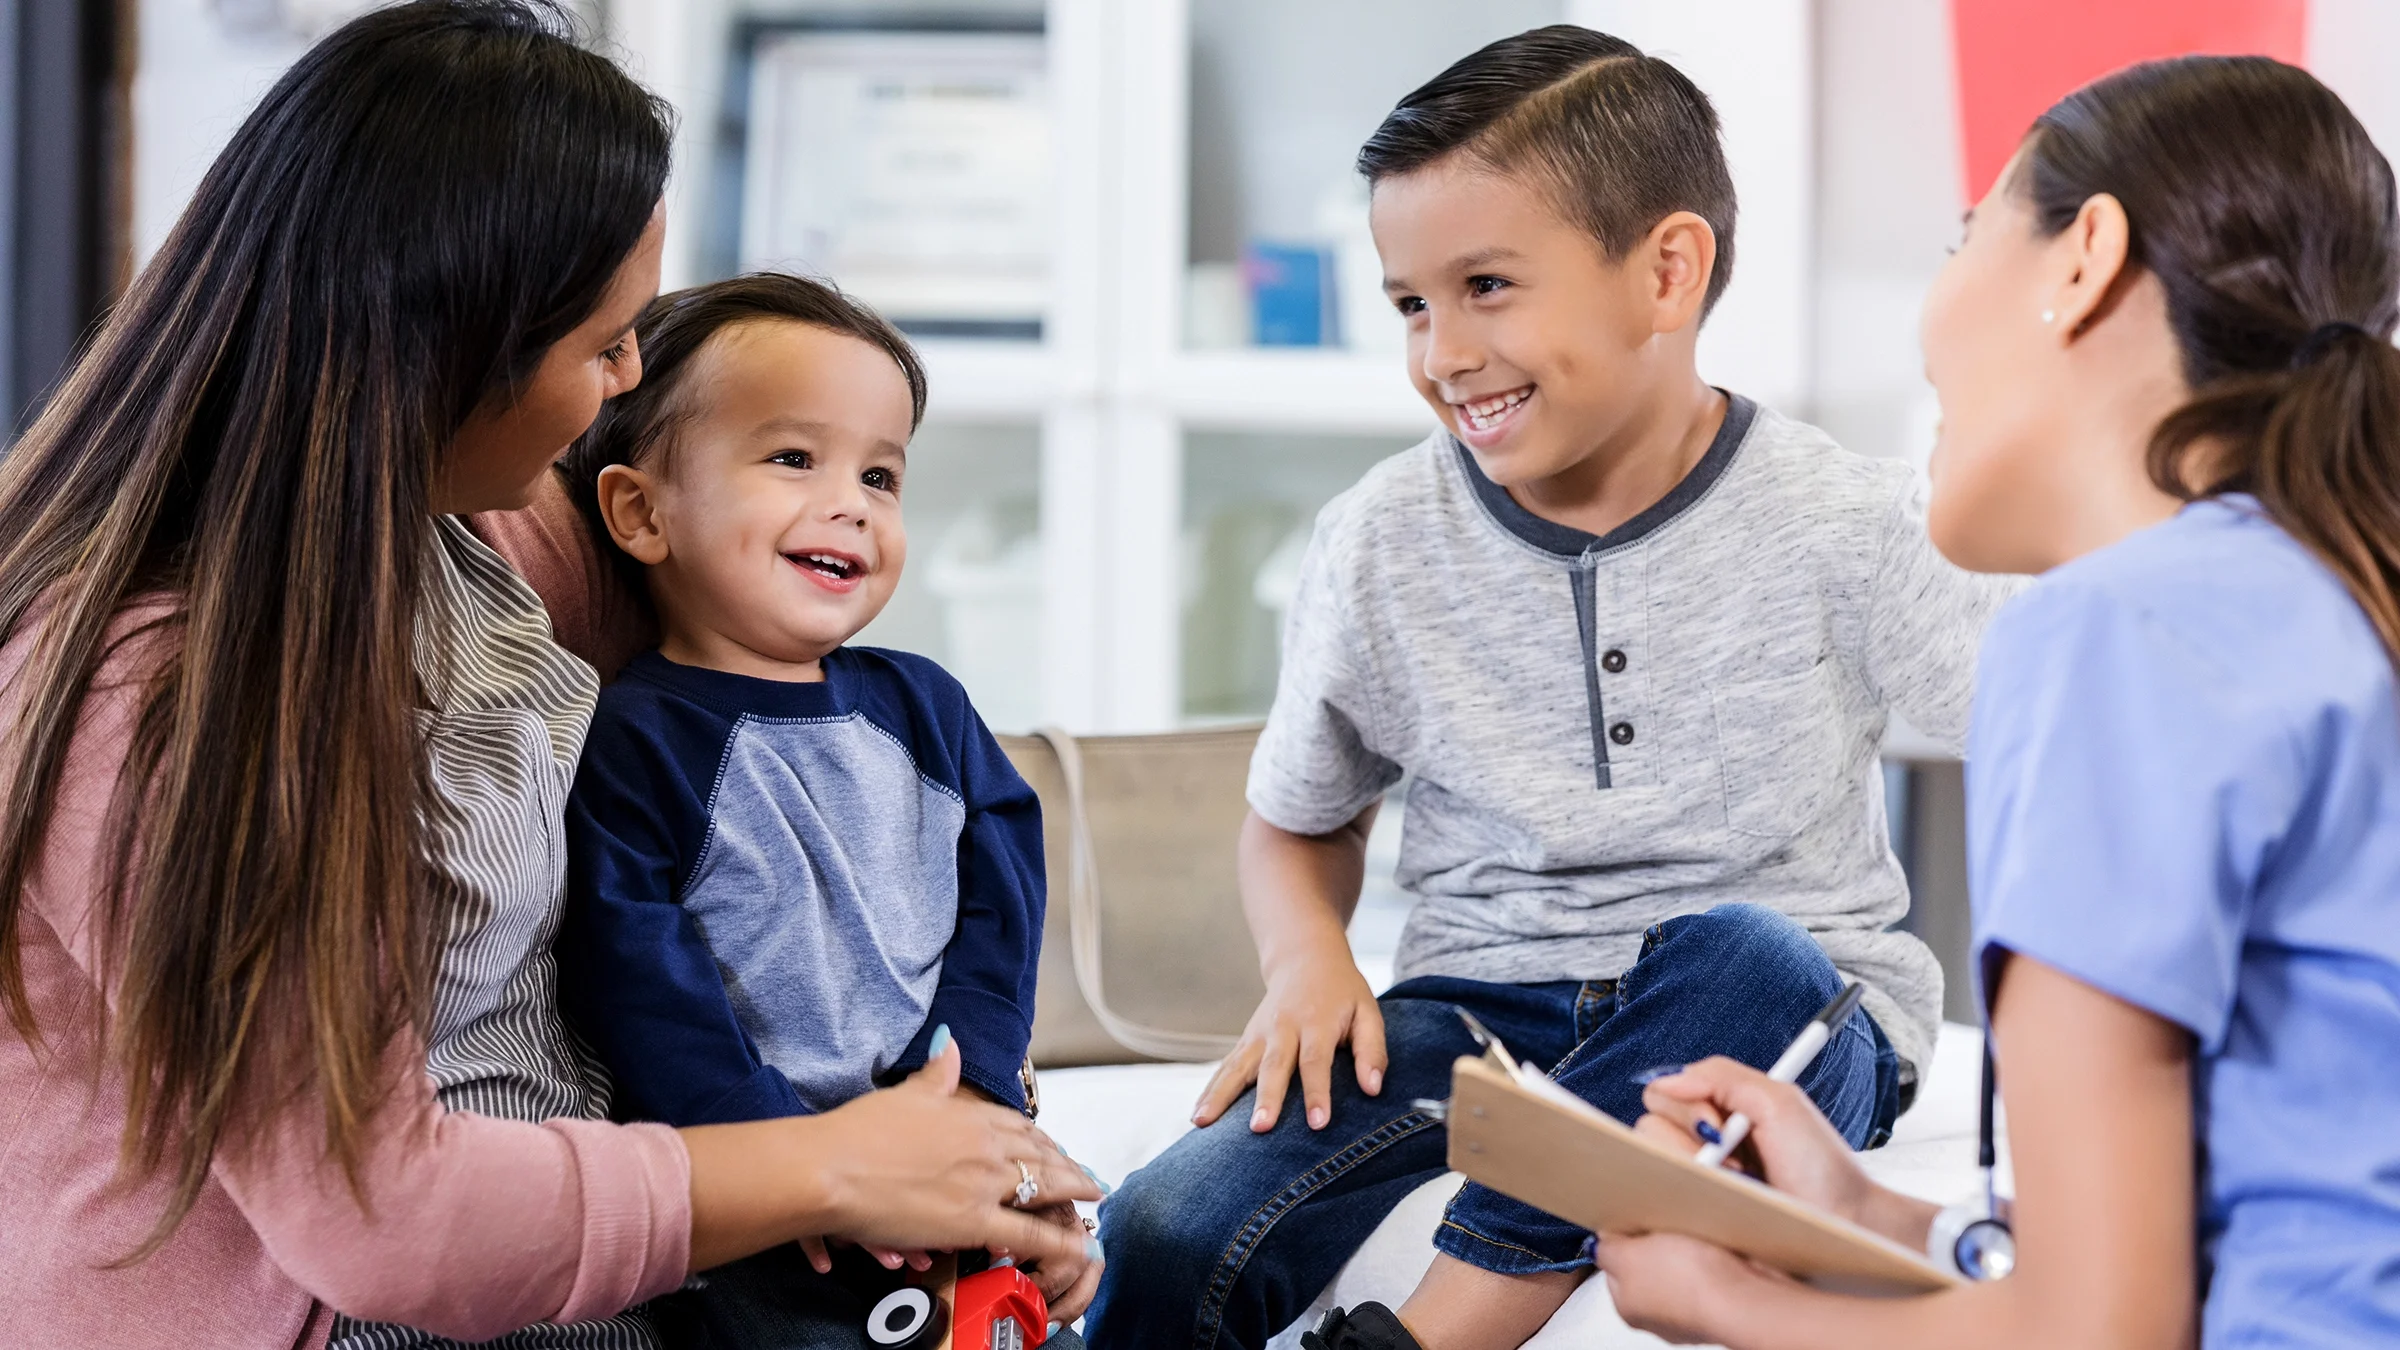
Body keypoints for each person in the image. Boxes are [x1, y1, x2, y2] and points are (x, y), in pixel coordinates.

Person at [0, 7, 1097, 1350]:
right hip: (334, 1313)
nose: (631, 376)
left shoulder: (487, 530)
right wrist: (841, 1166)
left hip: (595, 1251)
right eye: (604, 342)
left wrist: (973, 1149)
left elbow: (797, 777)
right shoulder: (149, 688)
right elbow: (384, 1213)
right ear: (448, 344)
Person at [1084, 26, 2013, 1350]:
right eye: (1413, 301)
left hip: (1782, 1012)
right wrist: (1306, 962)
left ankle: (1434, 1332)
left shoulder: (1842, 520)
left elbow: (2041, 733)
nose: (1443, 350)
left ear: (1667, 273)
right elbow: (1301, 816)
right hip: (1475, 1011)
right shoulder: (1381, 540)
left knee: (1743, 948)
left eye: (1488, 286)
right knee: (1166, 1226)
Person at [1593, 54, 2400, 1350]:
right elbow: (2241, 1232)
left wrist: (1724, 1300)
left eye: (1966, 236)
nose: (1934, 302)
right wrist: (1854, 1208)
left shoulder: (2119, 632)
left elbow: (2101, 1329)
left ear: (2084, 257)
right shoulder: (2328, 600)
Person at [552, 273, 1094, 1346]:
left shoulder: (924, 707)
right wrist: (787, 1162)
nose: (852, 501)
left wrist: (985, 1095)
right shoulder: (633, 740)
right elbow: (642, 985)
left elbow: (1002, 904)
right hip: (769, 1216)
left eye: (881, 474)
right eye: (794, 458)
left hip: (951, 1165)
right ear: (642, 511)